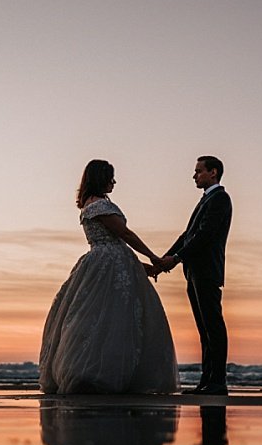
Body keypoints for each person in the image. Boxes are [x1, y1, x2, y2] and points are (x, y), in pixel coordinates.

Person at [39, 159, 180, 394]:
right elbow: (124, 234)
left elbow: (116, 245)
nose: (114, 181)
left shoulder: (92, 204)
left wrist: (142, 267)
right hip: (108, 263)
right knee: (109, 320)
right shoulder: (98, 206)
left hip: (109, 261)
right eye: (110, 177)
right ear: (100, 178)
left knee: (101, 319)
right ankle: (95, 374)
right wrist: (154, 257)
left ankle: (103, 373)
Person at [154, 156, 232, 395]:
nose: (194, 175)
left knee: (213, 327)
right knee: (204, 329)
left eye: (199, 171)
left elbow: (204, 235)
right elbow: (187, 235)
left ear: (213, 172)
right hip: (195, 271)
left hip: (207, 271)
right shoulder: (206, 200)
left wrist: (175, 259)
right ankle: (207, 381)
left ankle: (217, 382)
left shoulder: (219, 199)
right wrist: (162, 262)